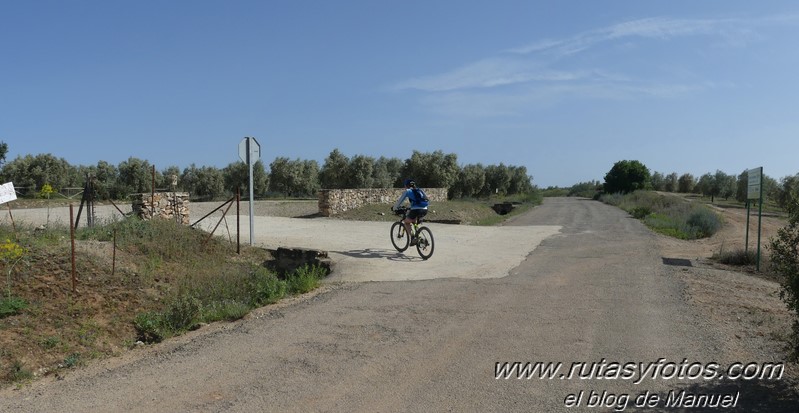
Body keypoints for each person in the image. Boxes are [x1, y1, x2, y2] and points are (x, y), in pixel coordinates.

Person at [392, 179, 429, 245]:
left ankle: (412, 237)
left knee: (406, 222)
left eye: (405, 186)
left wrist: (395, 208)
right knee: (413, 220)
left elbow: (400, 201)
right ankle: (419, 238)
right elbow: (424, 199)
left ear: (406, 185)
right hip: (425, 209)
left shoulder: (408, 191)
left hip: (416, 210)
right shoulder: (419, 190)